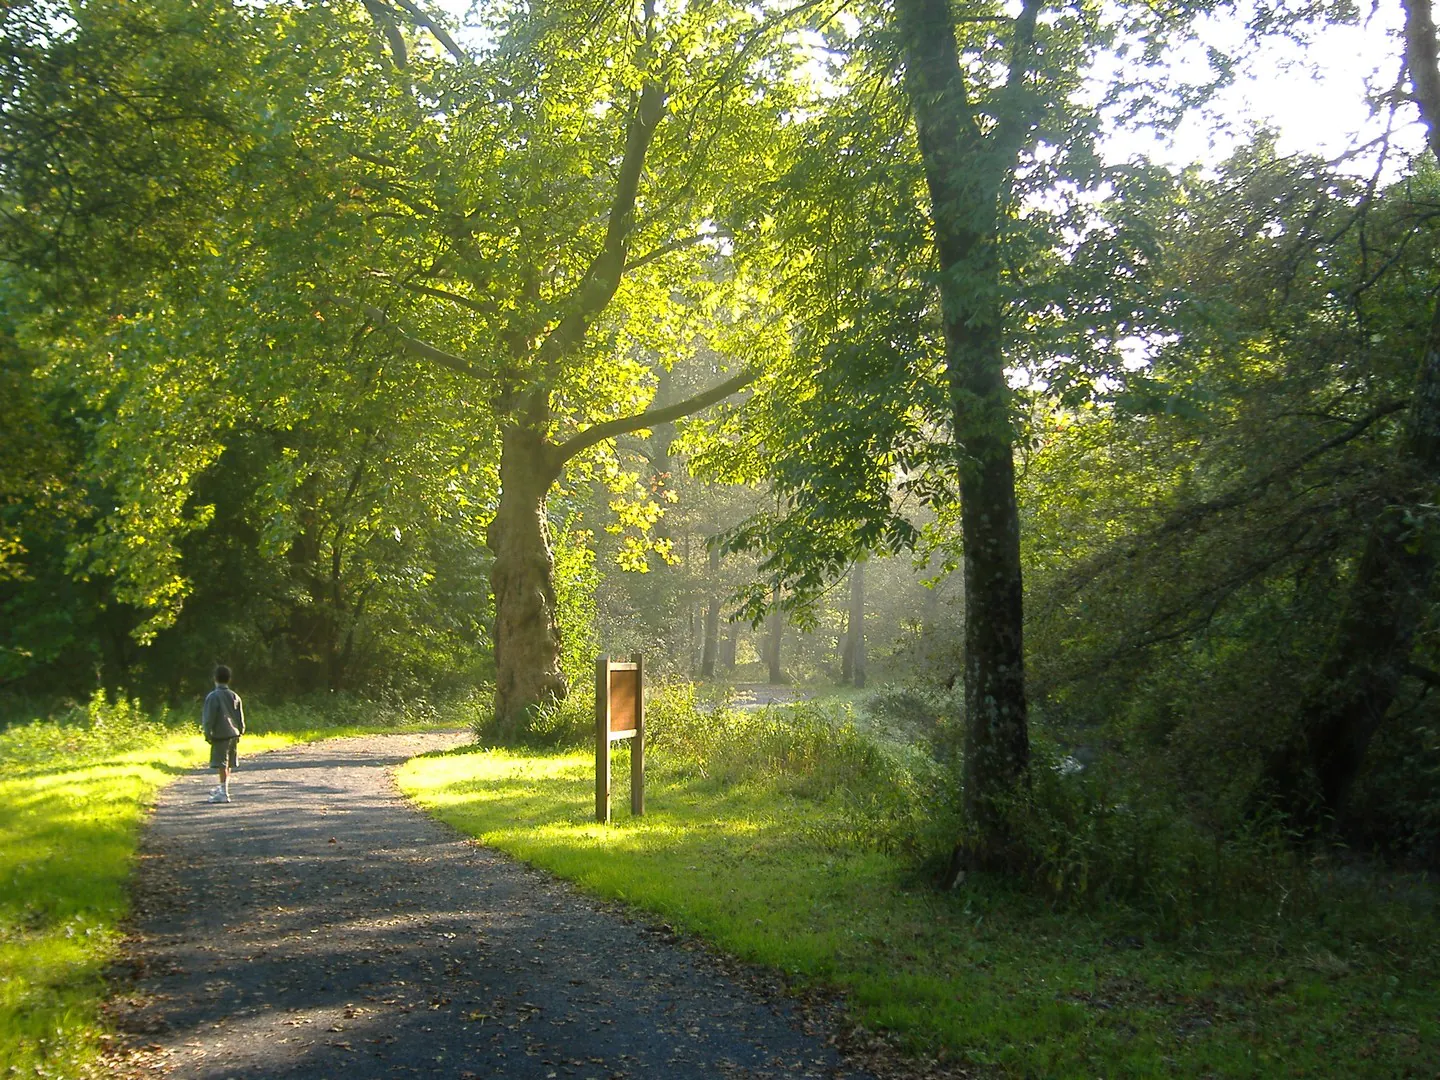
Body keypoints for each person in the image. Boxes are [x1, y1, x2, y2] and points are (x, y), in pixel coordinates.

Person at [202, 665, 245, 803]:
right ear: (229, 679)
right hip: (234, 733)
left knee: (221, 763)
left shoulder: (213, 696)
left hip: (221, 734)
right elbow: (240, 716)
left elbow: (209, 718)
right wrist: (241, 730)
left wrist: (208, 733)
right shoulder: (234, 696)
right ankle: (223, 788)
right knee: (228, 763)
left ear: (215, 678)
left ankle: (223, 792)